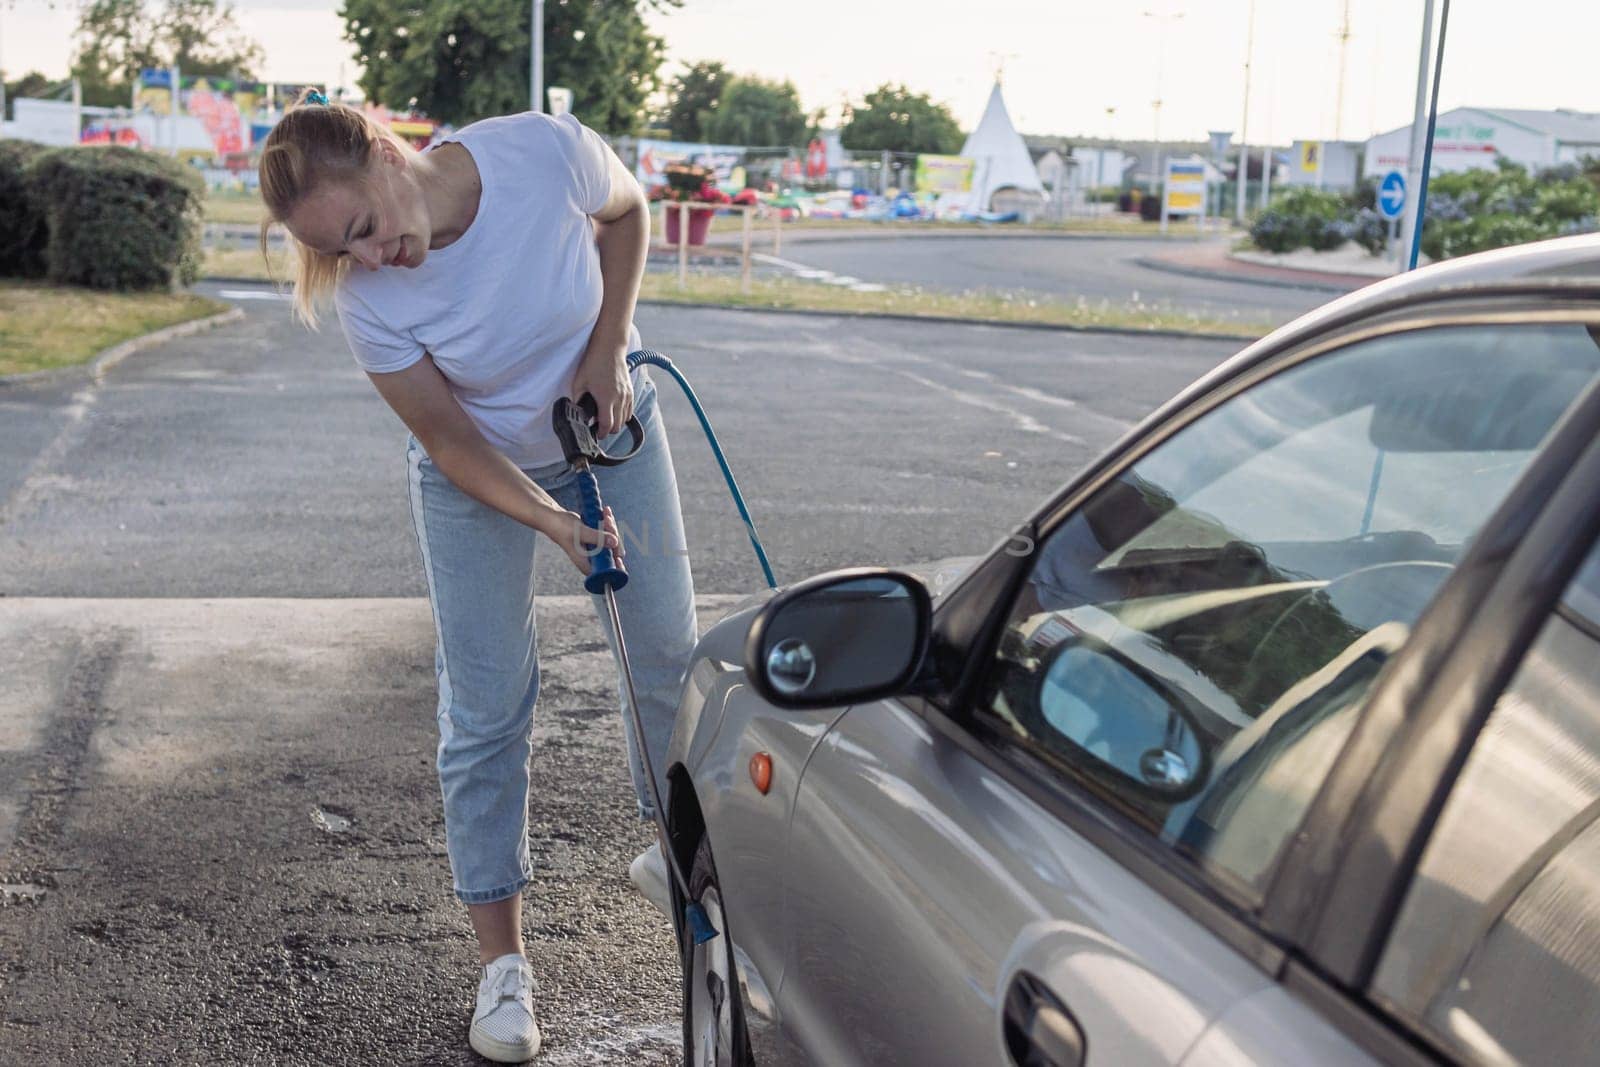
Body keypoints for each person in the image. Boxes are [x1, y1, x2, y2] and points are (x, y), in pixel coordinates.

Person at [257, 91, 696, 1063]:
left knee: (667, 653)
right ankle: (504, 965)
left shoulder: (541, 152)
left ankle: (681, 862)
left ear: (385, 150)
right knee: (488, 701)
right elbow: (450, 440)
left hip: (610, 423)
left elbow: (629, 216)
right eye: (343, 252)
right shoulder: (369, 305)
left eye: (365, 227)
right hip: (477, 473)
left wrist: (609, 343)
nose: (371, 259)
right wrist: (551, 522)